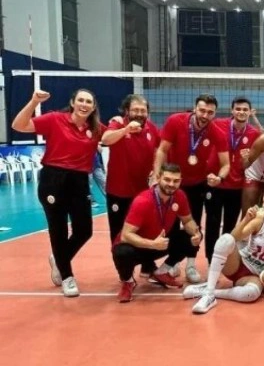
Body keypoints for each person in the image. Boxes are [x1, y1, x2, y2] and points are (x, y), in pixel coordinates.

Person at [11, 88, 105, 297]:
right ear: (72, 102)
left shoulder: (96, 128)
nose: (84, 104)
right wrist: (34, 101)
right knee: (58, 230)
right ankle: (67, 276)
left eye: (88, 102)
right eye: (80, 100)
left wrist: (123, 127)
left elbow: (111, 137)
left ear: (93, 107)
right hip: (53, 179)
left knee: (84, 231)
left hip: (80, 181)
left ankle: (59, 258)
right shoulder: (55, 119)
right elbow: (18, 125)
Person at [154, 94, 230, 283]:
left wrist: (219, 178)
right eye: (202, 110)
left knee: (194, 225)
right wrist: (157, 176)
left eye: (210, 112)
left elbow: (226, 164)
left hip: (197, 184)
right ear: (195, 108)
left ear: (215, 114)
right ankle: (173, 264)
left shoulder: (216, 132)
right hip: (173, 183)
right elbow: (162, 150)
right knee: (170, 225)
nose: (205, 115)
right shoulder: (175, 121)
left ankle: (190, 264)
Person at [182, 195, 264, 314]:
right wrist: (246, 219)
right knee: (226, 239)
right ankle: (209, 295)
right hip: (238, 263)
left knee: (252, 293)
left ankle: (209, 291)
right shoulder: (261, 220)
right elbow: (234, 237)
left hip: (254, 275)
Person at [112, 163, 203, 302]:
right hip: (137, 246)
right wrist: (152, 244)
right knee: (122, 252)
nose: (171, 184)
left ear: (180, 181)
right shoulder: (143, 200)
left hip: (158, 243)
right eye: (167, 179)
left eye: (176, 181)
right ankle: (128, 281)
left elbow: (188, 221)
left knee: (190, 238)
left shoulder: (179, 196)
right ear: (159, 178)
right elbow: (126, 235)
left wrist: (196, 233)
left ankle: (161, 272)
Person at [204, 97, 262, 263]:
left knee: (230, 226)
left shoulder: (254, 134)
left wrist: (247, 159)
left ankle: (223, 259)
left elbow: (252, 161)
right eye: (238, 109)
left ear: (250, 112)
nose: (241, 112)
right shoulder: (217, 124)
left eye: (245, 110)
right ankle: (210, 260)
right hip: (216, 182)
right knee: (212, 224)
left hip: (236, 187)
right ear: (232, 110)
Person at [102, 94, 160, 247]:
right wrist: (125, 130)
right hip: (118, 191)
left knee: (142, 231)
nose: (139, 114)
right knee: (118, 234)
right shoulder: (118, 123)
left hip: (142, 192)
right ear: (127, 111)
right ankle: (120, 262)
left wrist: (156, 171)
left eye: (143, 110)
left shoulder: (152, 128)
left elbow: (162, 149)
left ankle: (143, 260)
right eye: (135, 110)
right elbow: (105, 139)